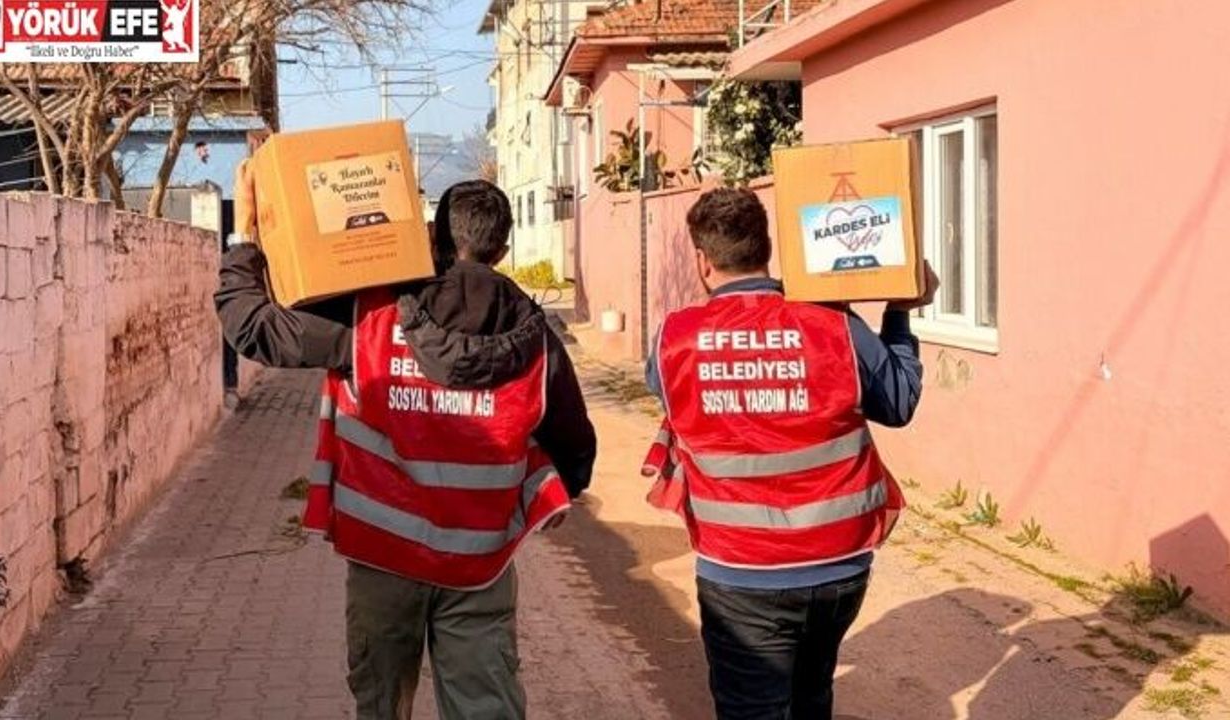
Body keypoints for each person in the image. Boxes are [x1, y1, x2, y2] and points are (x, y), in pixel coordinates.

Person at [215, 170, 597, 720]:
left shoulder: (369, 320)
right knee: (485, 708)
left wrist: (247, 241)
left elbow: (254, 328)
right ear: (504, 250)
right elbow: (575, 451)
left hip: (382, 560)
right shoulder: (537, 341)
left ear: (435, 241)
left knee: (382, 707)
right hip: (480, 568)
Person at [643, 187, 937, 720]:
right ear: (768, 247)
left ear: (702, 260)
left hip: (740, 572)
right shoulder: (833, 324)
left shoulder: (673, 340)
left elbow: (674, 396)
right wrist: (898, 314)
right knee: (811, 699)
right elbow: (898, 402)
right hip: (838, 567)